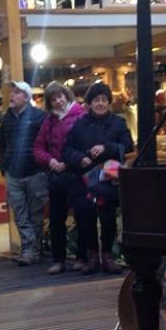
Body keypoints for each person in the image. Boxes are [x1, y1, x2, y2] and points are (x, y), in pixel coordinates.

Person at [62, 82, 133, 275]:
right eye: (96, 100)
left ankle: (108, 257)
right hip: (83, 181)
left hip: (107, 180)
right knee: (86, 220)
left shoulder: (118, 123)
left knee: (108, 219)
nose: (100, 103)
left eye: (103, 100)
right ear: (90, 103)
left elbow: (128, 146)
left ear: (108, 102)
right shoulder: (79, 124)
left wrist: (107, 147)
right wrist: (80, 158)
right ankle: (92, 257)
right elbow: (66, 150)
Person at [32, 81, 86, 274]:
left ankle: (81, 258)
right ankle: (58, 260)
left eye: (60, 97)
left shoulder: (81, 116)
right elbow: (38, 148)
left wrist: (69, 162)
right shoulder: (49, 121)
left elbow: (85, 145)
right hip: (56, 177)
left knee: (82, 218)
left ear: (67, 96)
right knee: (56, 219)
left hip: (77, 175)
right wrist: (50, 161)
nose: (58, 101)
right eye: (53, 99)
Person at [0, 80, 45, 266]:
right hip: (13, 173)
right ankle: (28, 249)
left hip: (35, 171)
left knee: (36, 213)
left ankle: (35, 248)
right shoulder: (6, 119)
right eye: (12, 92)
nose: (12, 95)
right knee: (20, 213)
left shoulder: (38, 117)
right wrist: (4, 166)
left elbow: (45, 143)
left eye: (17, 92)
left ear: (26, 97)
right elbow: (3, 144)